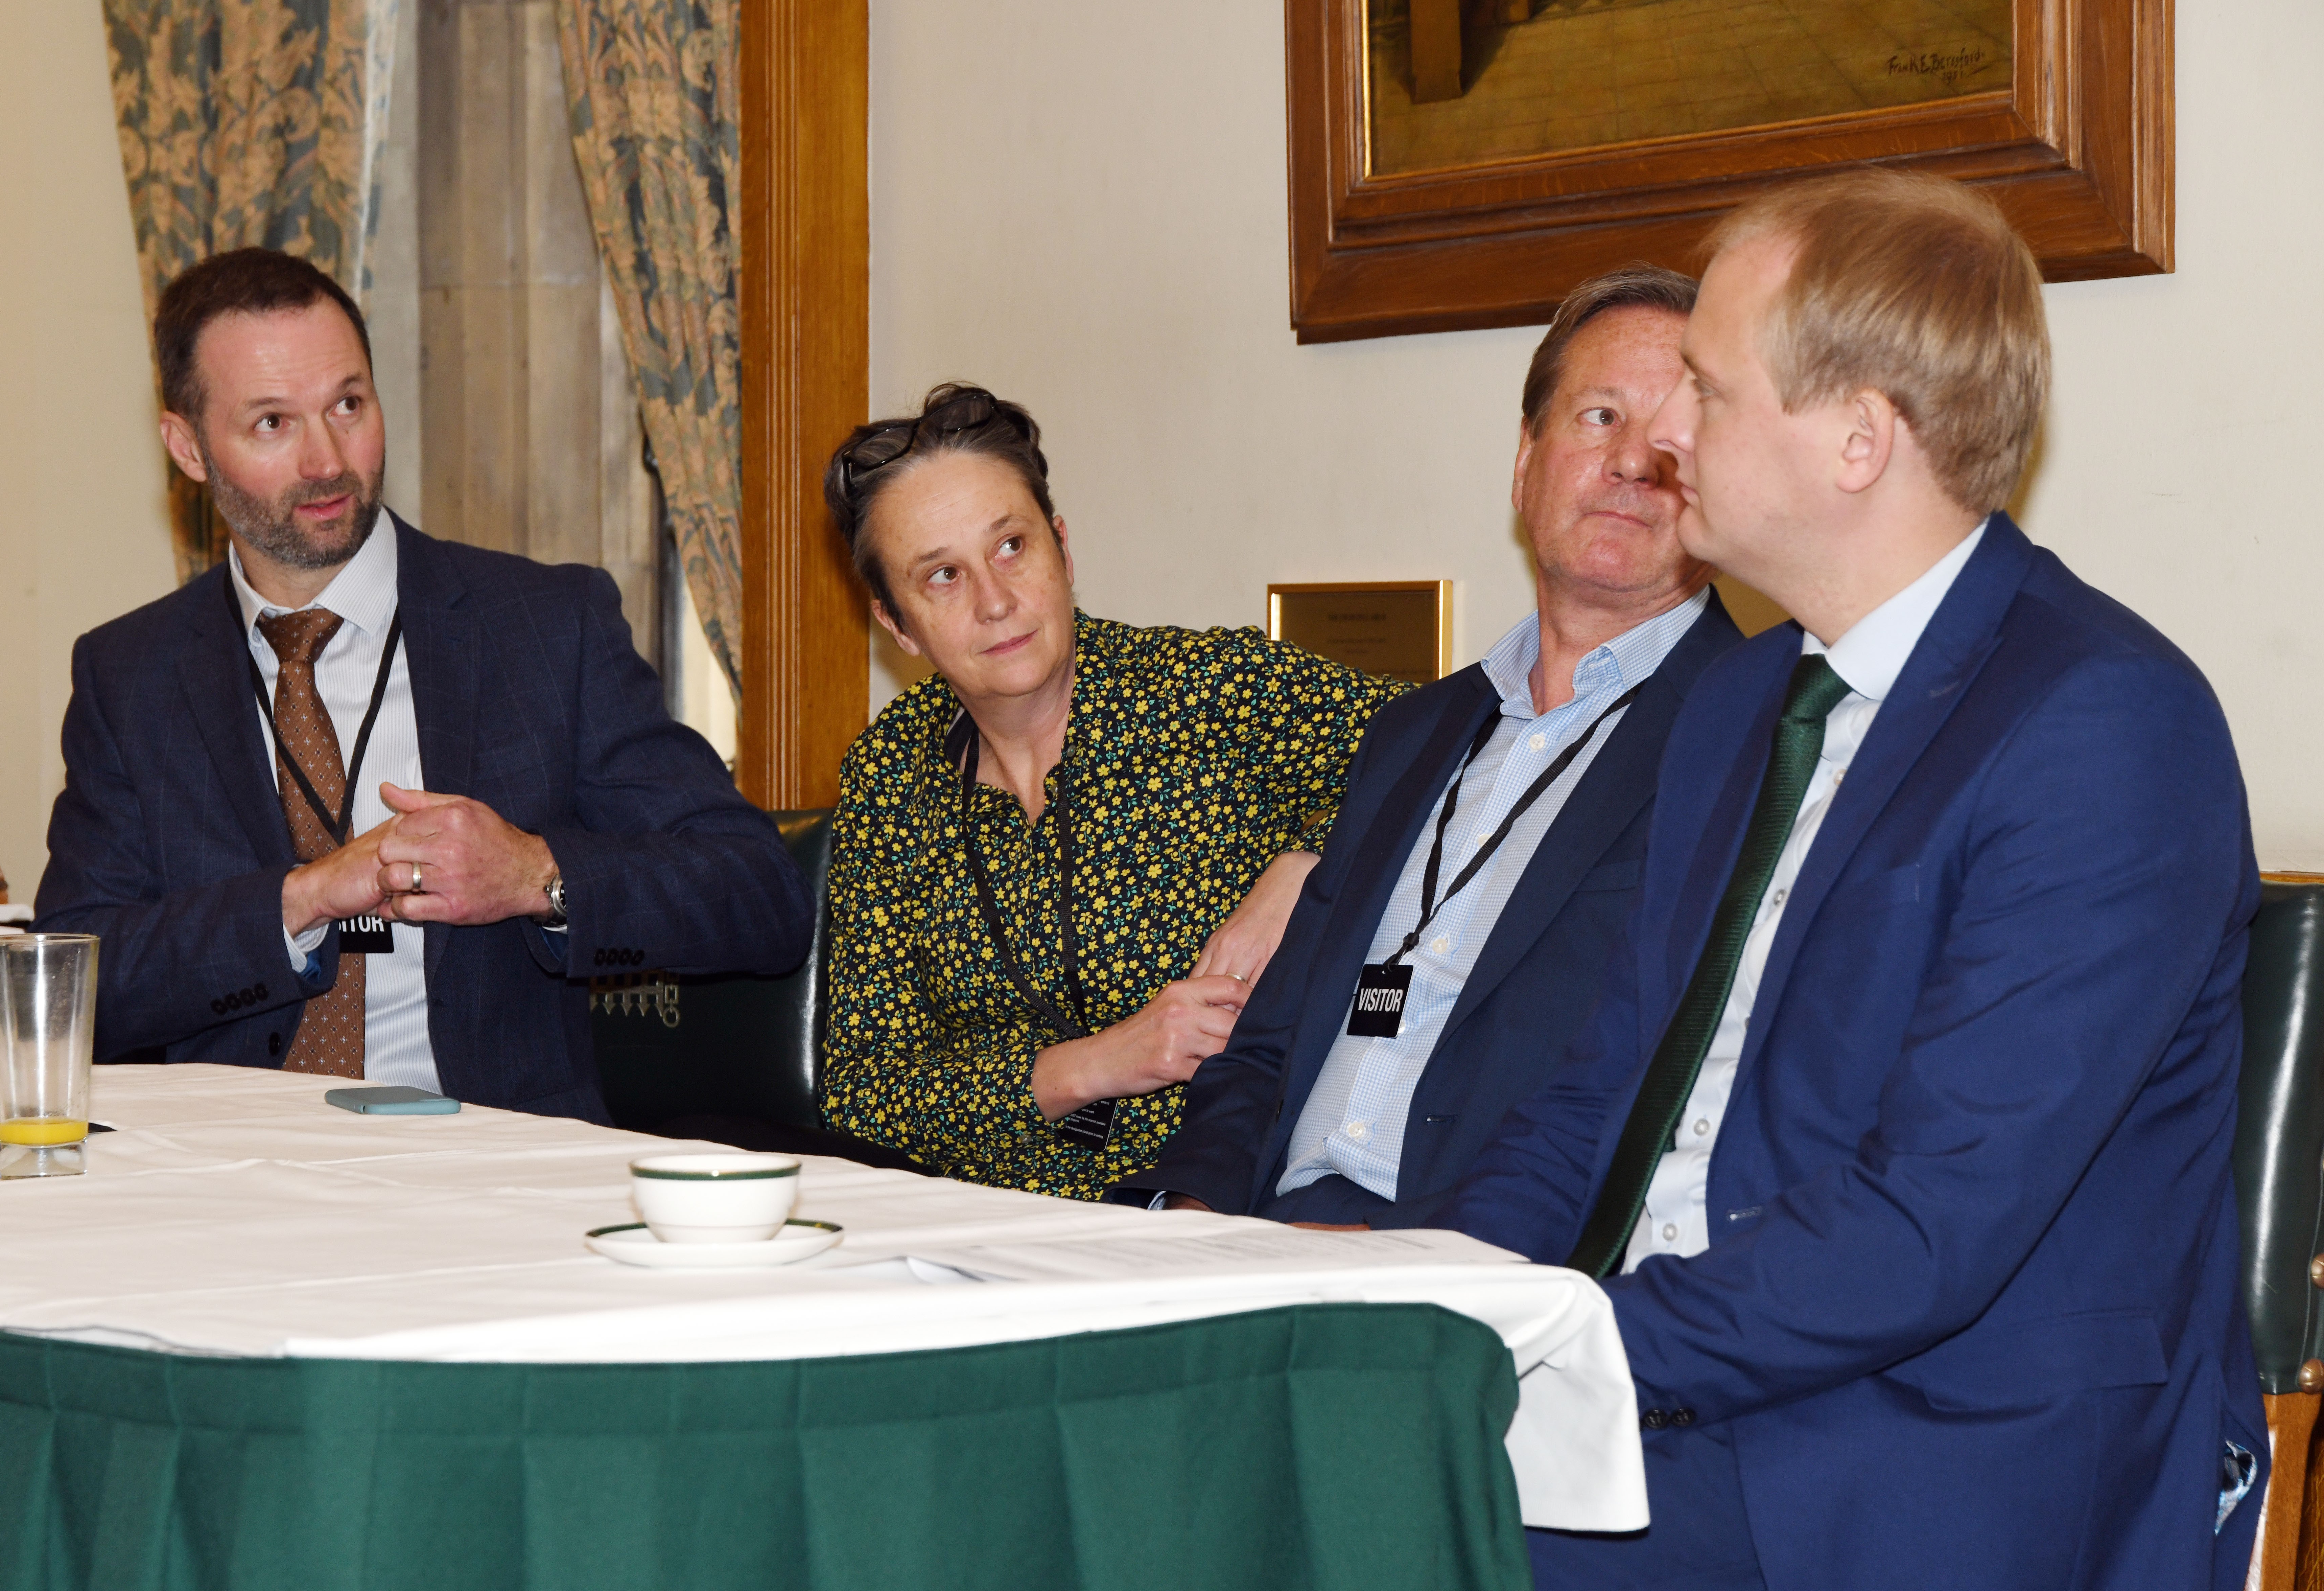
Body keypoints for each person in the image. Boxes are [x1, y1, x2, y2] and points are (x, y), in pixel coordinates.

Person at [1445, 171, 2266, 1589]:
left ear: (1857, 440)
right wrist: (1435, 1308)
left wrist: (1571, 1354)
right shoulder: (1734, 702)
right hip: (1685, 1381)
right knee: (1272, 1493)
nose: (1664, 435)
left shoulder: (2105, 724)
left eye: (1706, 388)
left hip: (1926, 1449)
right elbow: (1597, 1096)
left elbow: (1927, 1229)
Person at [36, 248, 809, 1121]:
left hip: (490, 1167)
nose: (328, 460)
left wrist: (536, 875)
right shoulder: (130, 675)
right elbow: (75, 981)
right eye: (272, 425)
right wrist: (303, 900)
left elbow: (758, 894)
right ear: (187, 446)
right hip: (234, 1176)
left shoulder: (545, 627)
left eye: (348, 405)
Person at [1112, 266, 1744, 1224]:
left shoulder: (1755, 738)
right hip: (1257, 1243)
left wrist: (1402, 1251)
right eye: (1601, 417)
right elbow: (1265, 1044)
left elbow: (1674, 1098)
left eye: (1673, 436)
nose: (1630, 463)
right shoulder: (1414, 732)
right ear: (1526, 458)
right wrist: (1193, 1208)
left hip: (1476, 1259)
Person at [817, 384, 1413, 1197]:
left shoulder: (1208, 693)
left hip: (1221, 1205)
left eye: (1012, 548)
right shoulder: (890, 773)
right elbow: (864, 1095)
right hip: (985, 1227)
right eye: (944, 577)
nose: (995, 601)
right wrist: (1085, 1068)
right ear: (897, 624)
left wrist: (1306, 863)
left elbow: (1442, 746)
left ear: (1062, 549)